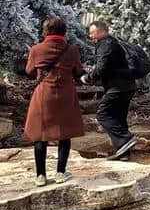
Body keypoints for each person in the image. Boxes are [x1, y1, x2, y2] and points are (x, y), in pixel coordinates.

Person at [24, 18, 85, 187]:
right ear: (64, 31)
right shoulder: (72, 50)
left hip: (43, 95)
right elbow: (78, 71)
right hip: (65, 94)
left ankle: (40, 176)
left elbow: (29, 71)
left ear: (45, 31)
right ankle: (60, 172)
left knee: (40, 134)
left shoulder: (37, 49)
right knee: (64, 134)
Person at [82, 21, 136, 161]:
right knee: (118, 117)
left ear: (101, 31)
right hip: (127, 85)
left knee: (103, 114)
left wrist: (87, 78)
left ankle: (126, 139)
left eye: (92, 32)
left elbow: (101, 68)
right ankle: (123, 153)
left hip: (117, 87)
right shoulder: (114, 43)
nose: (90, 35)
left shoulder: (105, 44)